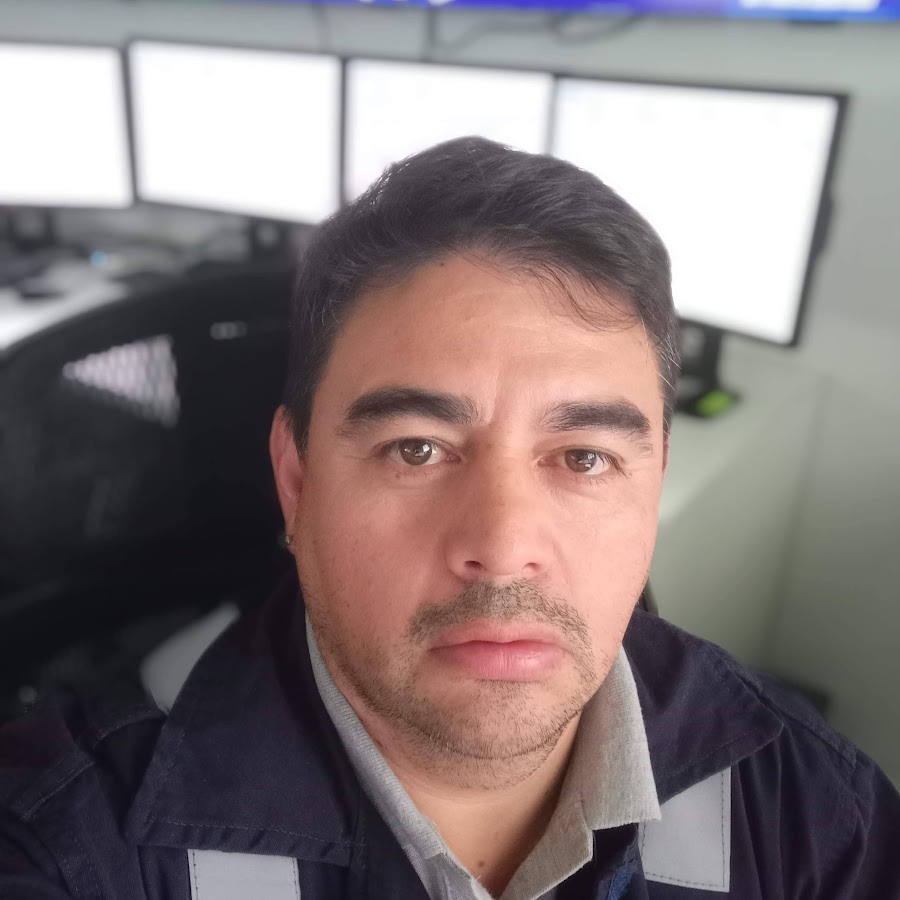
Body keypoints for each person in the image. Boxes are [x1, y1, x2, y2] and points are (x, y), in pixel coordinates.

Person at [1, 137, 898, 900]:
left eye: (584, 457)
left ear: (652, 482)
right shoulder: (63, 851)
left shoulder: (818, 815)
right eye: (416, 449)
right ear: (297, 480)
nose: (503, 550)